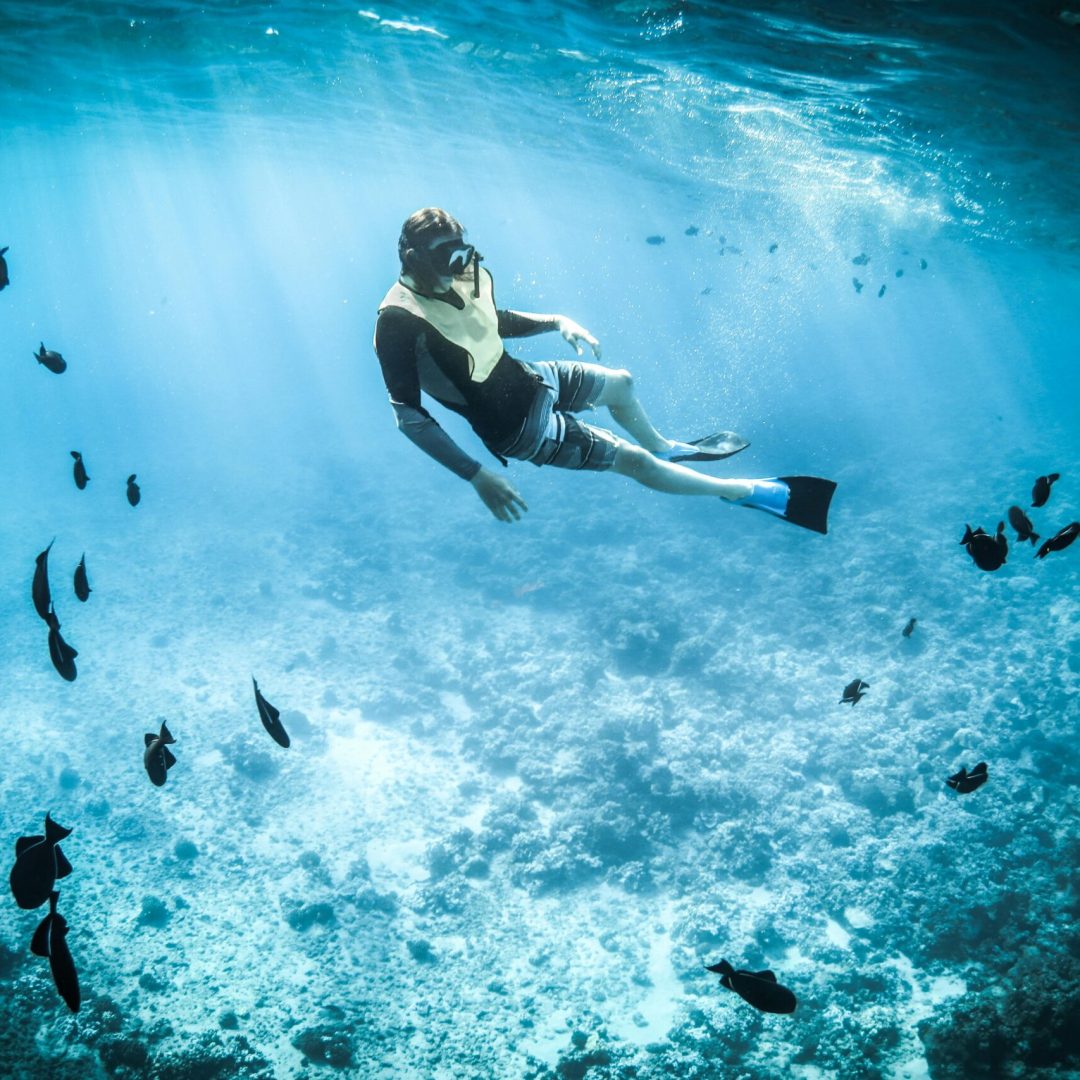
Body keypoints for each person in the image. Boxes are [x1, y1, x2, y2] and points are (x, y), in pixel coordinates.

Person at [374, 207, 835, 533]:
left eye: (461, 253)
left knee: (622, 384)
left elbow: (488, 320)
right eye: (444, 258)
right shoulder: (397, 321)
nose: (458, 267)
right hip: (515, 428)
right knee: (633, 462)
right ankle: (740, 491)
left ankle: (667, 448)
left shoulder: (459, 275)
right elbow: (408, 416)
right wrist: (475, 475)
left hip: (530, 377)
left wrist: (557, 320)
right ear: (414, 259)